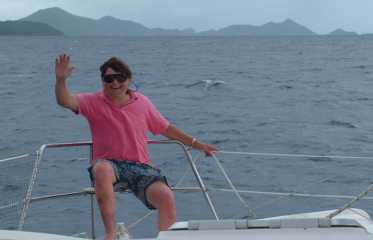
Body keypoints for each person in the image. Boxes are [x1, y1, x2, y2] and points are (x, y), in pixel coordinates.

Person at [54, 54, 218, 240]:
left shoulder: (142, 102)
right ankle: (110, 234)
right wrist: (61, 80)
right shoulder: (92, 101)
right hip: (110, 164)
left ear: (129, 79)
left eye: (120, 77)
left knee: (166, 197)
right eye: (109, 79)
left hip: (140, 167)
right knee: (102, 169)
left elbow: (166, 128)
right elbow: (65, 100)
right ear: (102, 81)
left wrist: (198, 144)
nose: (114, 82)